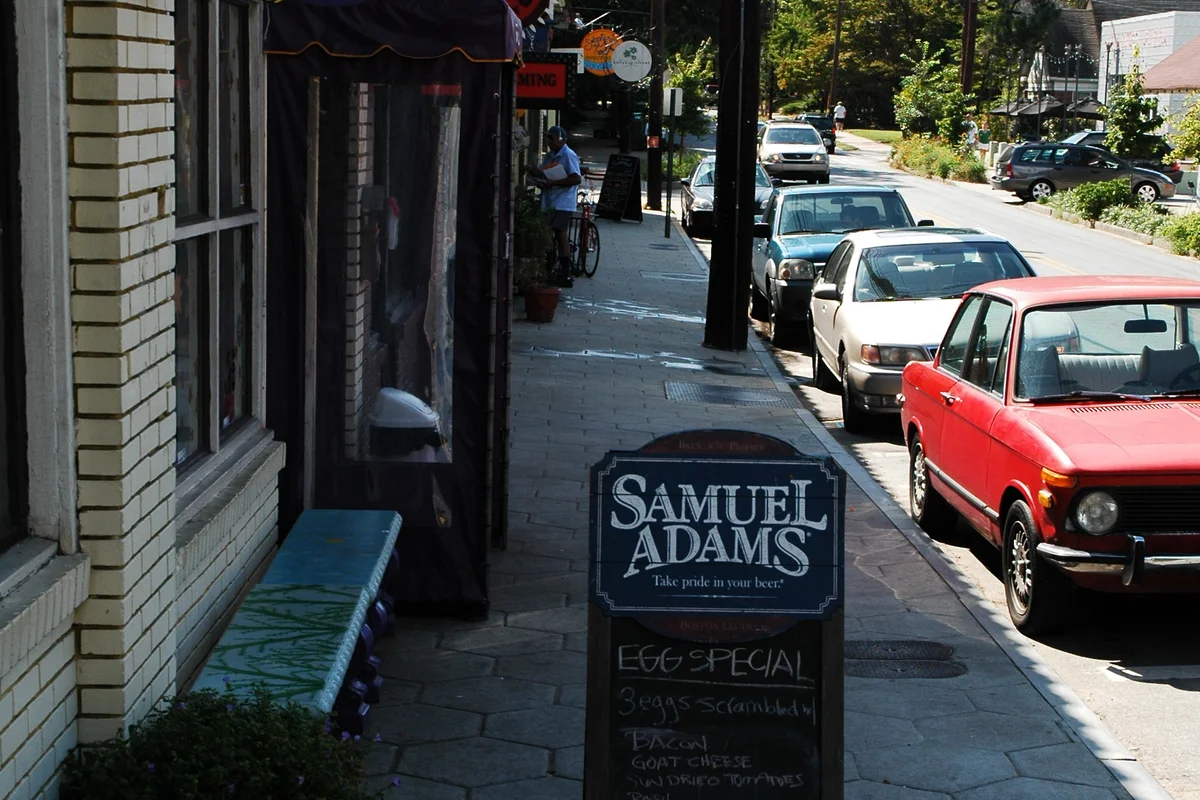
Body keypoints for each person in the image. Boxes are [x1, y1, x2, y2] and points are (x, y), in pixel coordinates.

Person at [525, 125, 582, 288]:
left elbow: (576, 178)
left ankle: (564, 272)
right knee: (550, 235)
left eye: (551, 138)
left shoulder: (568, 155)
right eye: (548, 138)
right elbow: (544, 173)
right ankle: (550, 270)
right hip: (550, 201)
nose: (549, 141)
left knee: (559, 235)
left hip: (562, 202)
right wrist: (534, 172)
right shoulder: (551, 155)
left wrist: (554, 183)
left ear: (561, 139)